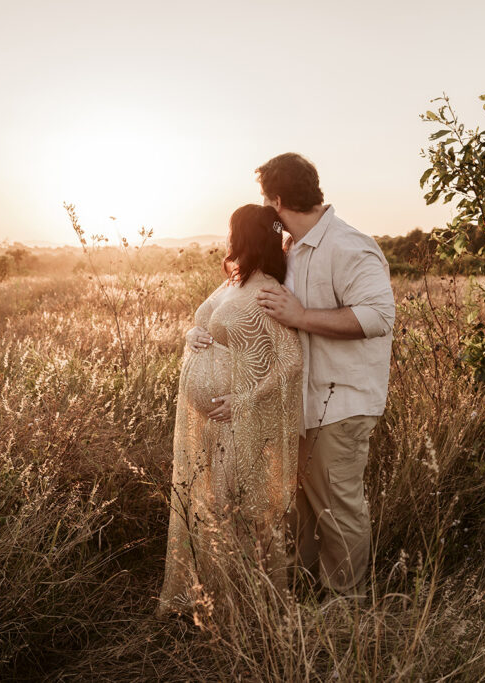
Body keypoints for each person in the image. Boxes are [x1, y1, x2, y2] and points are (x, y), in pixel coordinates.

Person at [254, 152, 395, 598]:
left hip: (342, 402)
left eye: (266, 200)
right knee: (300, 511)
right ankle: (306, 596)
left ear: (277, 201)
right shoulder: (291, 250)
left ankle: (347, 606)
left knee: (338, 510)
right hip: (300, 404)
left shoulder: (348, 246)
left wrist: (301, 316)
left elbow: (377, 317)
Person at [156, 204, 302, 618]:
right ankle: (216, 599)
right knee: (213, 508)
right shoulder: (233, 281)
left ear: (244, 236)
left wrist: (245, 400)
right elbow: (202, 322)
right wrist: (192, 334)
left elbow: (291, 359)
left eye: (232, 231)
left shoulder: (268, 291)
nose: (227, 238)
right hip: (211, 423)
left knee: (236, 512)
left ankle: (246, 609)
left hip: (240, 421)